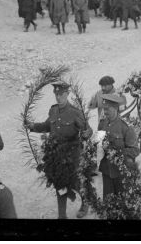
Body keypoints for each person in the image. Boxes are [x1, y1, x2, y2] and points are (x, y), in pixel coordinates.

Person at [27, 81, 92, 218]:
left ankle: (85, 202)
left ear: (67, 94)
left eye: (61, 94)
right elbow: (46, 126)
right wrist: (32, 126)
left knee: (75, 182)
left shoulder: (75, 113)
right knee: (59, 183)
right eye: (56, 94)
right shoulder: (53, 110)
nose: (58, 97)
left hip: (72, 154)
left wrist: (87, 134)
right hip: (56, 154)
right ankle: (62, 215)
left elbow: (88, 129)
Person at [98, 93, 140, 198]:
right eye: (104, 109)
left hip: (121, 172)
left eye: (107, 109)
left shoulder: (126, 127)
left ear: (116, 108)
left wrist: (118, 153)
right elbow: (98, 143)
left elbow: (135, 150)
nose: (105, 111)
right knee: (108, 201)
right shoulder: (102, 124)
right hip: (106, 170)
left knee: (122, 202)